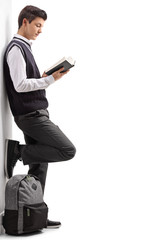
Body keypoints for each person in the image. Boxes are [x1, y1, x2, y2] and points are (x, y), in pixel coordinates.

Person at [3, 5, 76, 229]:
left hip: (35, 112)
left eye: (42, 26)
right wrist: (50, 79)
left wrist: (44, 76)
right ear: (24, 22)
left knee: (40, 167)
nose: (40, 30)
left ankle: (35, 214)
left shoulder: (25, 47)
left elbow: (27, 81)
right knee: (67, 150)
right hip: (31, 116)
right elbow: (20, 84)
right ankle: (18, 151)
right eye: (37, 25)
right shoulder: (16, 48)